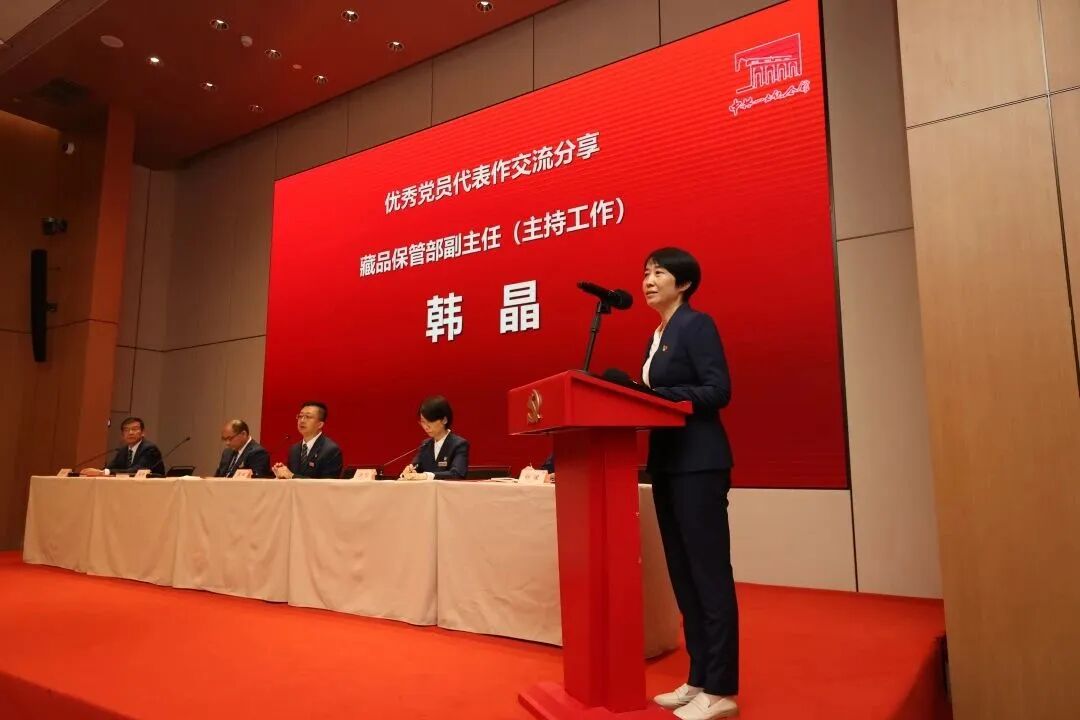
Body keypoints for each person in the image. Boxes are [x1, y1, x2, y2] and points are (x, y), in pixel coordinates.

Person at [641, 247, 738, 720]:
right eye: (645, 272)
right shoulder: (657, 335)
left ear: (683, 284)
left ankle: (720, 689)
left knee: (708, 575)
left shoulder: (697, 326)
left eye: (658, 272)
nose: (648, 280)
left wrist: (656, 396)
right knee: (683, 574)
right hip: (666, 464)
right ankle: (699, 676)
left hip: (699, 464)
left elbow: (718, 390)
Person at [399, 395, 469, 480]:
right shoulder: (425, 445)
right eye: (423, 422)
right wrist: (409, 471)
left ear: (444, 420)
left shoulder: (459, 444)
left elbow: (457, 474)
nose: (426, 427)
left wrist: (426, 476)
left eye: (430, 421)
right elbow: (415, 466)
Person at [272, 401, 343, 479]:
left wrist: (292, 476)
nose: (302, 420)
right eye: (300, 416)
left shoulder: (330, 450)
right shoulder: (294, 449)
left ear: (320, 424)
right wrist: (282, 473)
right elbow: (291, 478)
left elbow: (327, 484)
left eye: (308, 417)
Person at [81, 416, 165, 476]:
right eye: (126, 430)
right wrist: (98, 472)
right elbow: (111, 467)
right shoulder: (123, 451)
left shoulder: (150, 449)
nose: (130, 433)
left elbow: (136, 470)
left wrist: (104, 472)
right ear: (122, 435)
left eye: (134, 429)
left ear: (143, 433)